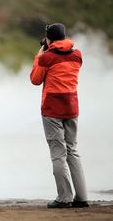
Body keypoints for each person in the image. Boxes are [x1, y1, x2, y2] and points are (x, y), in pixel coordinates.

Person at [30, 23, 89, 208]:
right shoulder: (77, 55)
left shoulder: (46, 58)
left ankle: (64, 198)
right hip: (72, 107)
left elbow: (35, 80)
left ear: (49, 39)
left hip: (52, 109)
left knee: (58, 153)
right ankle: (82, 198)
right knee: (72, 150)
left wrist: (39, 55)